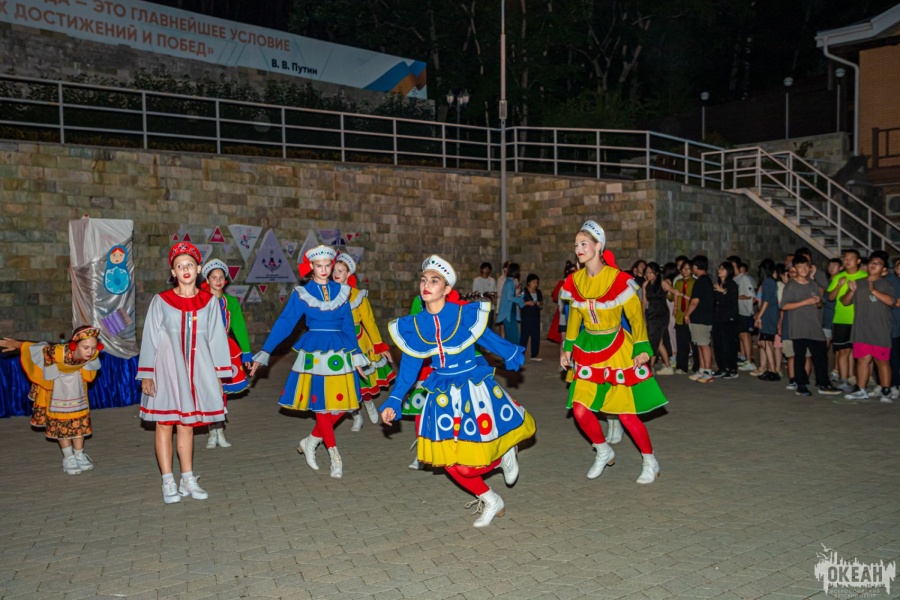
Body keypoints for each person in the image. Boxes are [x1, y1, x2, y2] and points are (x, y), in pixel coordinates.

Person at [380, 255, 536, 528]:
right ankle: (491, 499)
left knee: (468, 463)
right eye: (424, 280)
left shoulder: (463, 314)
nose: (426, 285)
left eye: (434, 281)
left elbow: (486, 337)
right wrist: (394, 399)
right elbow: (409, 368)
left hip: (472, 391)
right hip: (441, 396)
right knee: (448, 462)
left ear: (447, 288)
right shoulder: (415, 325)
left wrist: (510, 353)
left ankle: (503, 456)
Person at [559, 220, 667, 484]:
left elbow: (636, 316)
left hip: (617, 349)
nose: (578, 249)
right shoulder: (575, 281)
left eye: (584, 244)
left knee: (626, 414)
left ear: (598, 246)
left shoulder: (618, 280)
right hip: (588, 348)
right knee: (580, 409)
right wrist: (567, 347)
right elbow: (574, 317)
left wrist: (642, 347)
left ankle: (650, 461)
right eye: (576, 245)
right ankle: (603, 450)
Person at [250, 245, 367, 478]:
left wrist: (356, 355)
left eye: (327, 265)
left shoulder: (342, 291)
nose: (324, 270)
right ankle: (334, 455)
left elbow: (347, 326)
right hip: (315, 352)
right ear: (311, 267)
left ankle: (312, 440)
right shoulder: (303, 293)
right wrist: (265, 351)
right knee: (322, 406)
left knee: (345, 406)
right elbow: (285, 323)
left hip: (340, 351)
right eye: (319, 266)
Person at [138, 242, 233, 504]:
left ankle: (187, 478)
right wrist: (147, 373)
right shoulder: (161, 301)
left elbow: (216, 339)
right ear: (173, 272)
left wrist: (218, 375)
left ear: (198, 269)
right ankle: (168, 480)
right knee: (164, 423)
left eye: (189, 264)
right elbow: (150, 338)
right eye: (179, 266)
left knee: (187, 424)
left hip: (197, 370)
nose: (185, 269)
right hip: (166, 370)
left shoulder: (209, 302)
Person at [1, 326, 102, 475]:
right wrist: (17, 344)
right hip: (58, 387)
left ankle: (79, 454)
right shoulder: (56, 352)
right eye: (85, 347)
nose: (90, 351)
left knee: (79, 423)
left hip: (77, 387)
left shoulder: (93, 355)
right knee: (62, 424)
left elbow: (91, 368)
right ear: (74, 345)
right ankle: (68, 458)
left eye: (93, 347)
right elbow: (38, 349)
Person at [331, 252, 394, 430]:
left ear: (348, 274)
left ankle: (368, 403)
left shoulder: (358, 296)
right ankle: (356, 416)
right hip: (337, 342)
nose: (336, 274)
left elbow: (369, 322)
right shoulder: (327, 295)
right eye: (334, 270)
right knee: (344, 383)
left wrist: (379, 345)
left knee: (362, 379)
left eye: (341, 271)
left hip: (359, 342)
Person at [200, 259, 253, 449]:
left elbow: (239, 327)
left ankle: (220, 430)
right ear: (207, 280)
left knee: (221, 390)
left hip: (225, 348)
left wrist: (246, 352)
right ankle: (211, 432)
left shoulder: (230, 302)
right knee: (208, 389)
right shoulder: (199, 299)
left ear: (225, 280)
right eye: (214, 277)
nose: (218, 280)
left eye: (221, 277)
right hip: (204, 348)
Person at [779, 255, 841, 396]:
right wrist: (805, 302)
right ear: (794, 269)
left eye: (806, 266)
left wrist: (818, 301)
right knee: (800, 357)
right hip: (799, 327)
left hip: (815, 326)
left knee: (821, 357)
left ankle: (823, 383)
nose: (803, 269)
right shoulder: (791, 285)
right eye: (800, 267)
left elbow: (820, 304)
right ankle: (801, 385)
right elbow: (784, 306)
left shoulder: (813, 284)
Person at [840, 250, 895, 402]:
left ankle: (886, 391)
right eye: (872, 262)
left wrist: (874, 291)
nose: (873, 265)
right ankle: (861, 389)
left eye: (878, 264)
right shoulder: (859, 282)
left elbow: (891, 301)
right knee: (862, 360)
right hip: (861, 329)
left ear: (884, 270)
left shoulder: (885, 284)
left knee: (881, 361)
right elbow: (845, 302)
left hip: (880, 329)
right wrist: (851, 292)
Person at [827, 249, 867, 392]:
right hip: (841, 319)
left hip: (860, 320)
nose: (847, 261)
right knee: (843, 351)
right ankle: (843, 380)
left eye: (851, 258)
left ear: (858, 261)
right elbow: (830, 298)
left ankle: (861, 383)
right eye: (845, 258)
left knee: (862, 353)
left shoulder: (865, 276)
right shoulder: (839, 277)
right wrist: (838, 285)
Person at [684, 255, 715, 383]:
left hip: (702, 317)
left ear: (696, 267)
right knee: (699, 344)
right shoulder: (706, 280)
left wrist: (687, 314)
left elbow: (695, 301)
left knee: (704, 344)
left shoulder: (701, 281)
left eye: (692, 267)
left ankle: (708, 371)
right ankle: (702, 370)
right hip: (700, 317)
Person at [642, 262, 674, 375]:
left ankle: (650, 366)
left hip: (661, 314)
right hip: (651, 314)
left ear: (656, 273)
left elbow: (674, 292)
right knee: (658, 341)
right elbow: (644, 301)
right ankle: (667, 366)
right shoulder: (645, 284)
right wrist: (642, 315)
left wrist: (676, 305)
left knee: (654, 340)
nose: (648, 275)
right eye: (647, 273)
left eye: (651, 273)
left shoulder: (662, 283)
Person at [753, 259, 780, 381]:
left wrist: (759, 316)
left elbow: (766, 302)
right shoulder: (771, 282)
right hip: (770, 315)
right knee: (766, 342)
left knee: (767, 342)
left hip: (768, 316)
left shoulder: (768, 282)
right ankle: (771, 368)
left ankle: (772, 370)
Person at [711, 262, 740, 379]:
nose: (719, 270)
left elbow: (733, 300)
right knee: (718, 344)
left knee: (729, 344)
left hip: (728, 319)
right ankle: (722, 367)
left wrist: (723, 291)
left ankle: (732, 369)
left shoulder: (732, 285)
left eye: (722, 269)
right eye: (719, 268)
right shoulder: (717, 283)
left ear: (728, 271)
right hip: (717, 318)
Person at [673, 260, 696, 374]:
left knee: (694, 342)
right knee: (681, 342)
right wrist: (675, 307)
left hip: (691, 315)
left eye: (688, 269)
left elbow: (694, 299)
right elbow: (674, 296)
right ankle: (681, 366)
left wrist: (682, 295)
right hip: (680, 315)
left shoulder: (695, 282)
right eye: (683, 269)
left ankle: (698, 366)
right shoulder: (678, 282)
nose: (685, 271)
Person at [548, 262, 577, 345]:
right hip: (565, 317)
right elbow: (558, 299)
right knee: (564, 343)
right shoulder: (563, 284)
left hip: (574, 318)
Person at [496, 263, 524, 345]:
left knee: (512, 336)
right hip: (508, 314)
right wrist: (520, 300)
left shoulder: (510, 282)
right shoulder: (509, 283)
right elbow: (509, 297)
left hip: (510, 312)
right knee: (513, 336)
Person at [520, 273, 544, 361]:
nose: (535, 284)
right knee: (524, 336)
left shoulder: (538, 292)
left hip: (536, 316)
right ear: (529, 283)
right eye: (533, 282)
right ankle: (521, 354)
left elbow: (541, 304)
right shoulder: (524, 291)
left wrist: (539, 304)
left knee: (535, 336)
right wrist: (527, 303)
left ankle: (534, 355)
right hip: (526, 316)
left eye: (537, 282)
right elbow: (520, 302)